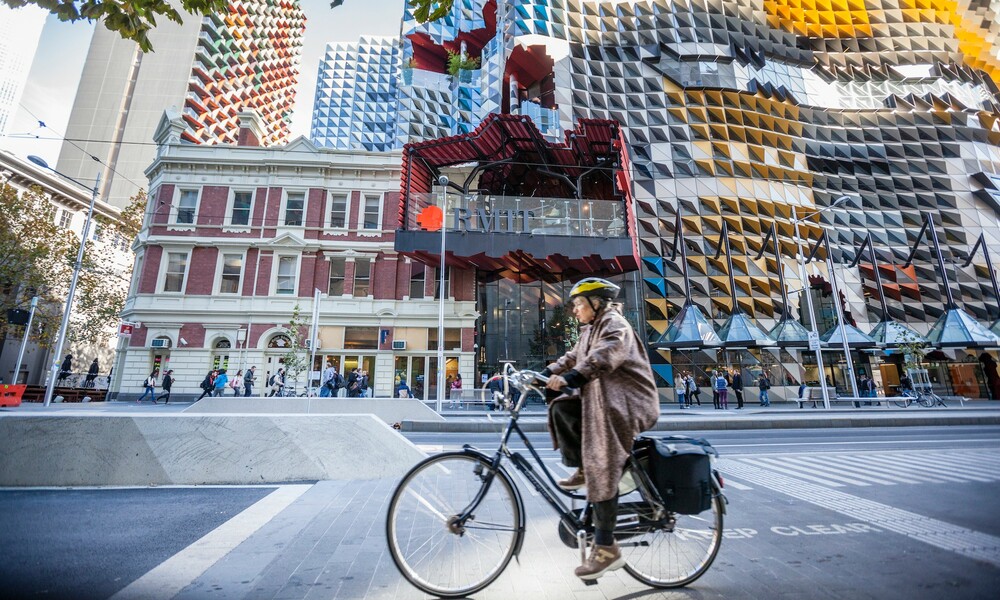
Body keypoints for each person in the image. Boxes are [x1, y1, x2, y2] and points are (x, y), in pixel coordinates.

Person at [541, 277, 659, 581]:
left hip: (626, 403)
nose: (575, 310)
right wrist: (545, 374)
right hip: (603, 400)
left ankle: (607, 549)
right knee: (562, 407)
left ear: (597, 303)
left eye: (580, 304)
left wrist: (573, 378)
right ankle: (583, 466)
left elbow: (606, 354)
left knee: (602, 460)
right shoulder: (589, 330)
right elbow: (571, 358)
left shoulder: (614, 324)